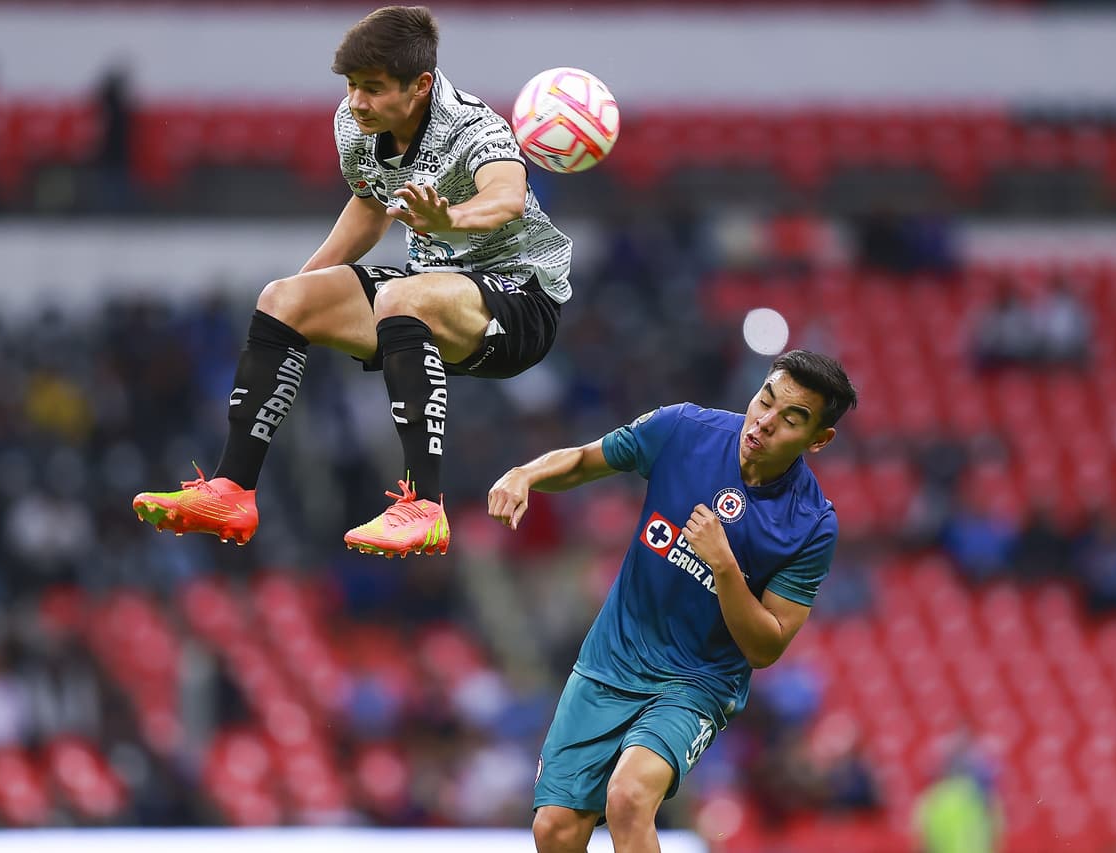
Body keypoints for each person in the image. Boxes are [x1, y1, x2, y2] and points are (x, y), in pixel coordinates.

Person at [132, 6, 572, 557]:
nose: (357, 101)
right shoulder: (356, 124)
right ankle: (232, 490)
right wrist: (297, 304)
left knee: (401, 296)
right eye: (352, 86)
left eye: (373, 88)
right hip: (427, 295)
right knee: (282, 297)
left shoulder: (473, 128)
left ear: (421, 86)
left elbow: (507, 196)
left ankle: (424, 507)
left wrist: (447, 221)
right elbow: (369, 206)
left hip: (519, 303)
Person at [488, 350, 857, 853]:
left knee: (628, 798)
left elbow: (766, 647)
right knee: (554, 830)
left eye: (791, 419)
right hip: (610, 662)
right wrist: (525, 473)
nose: (765, 423)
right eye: (764, 401)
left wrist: (725, 567)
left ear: (819, 439)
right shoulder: (683, 429)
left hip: (696, 683)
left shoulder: (813, 524)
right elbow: (583, 460)